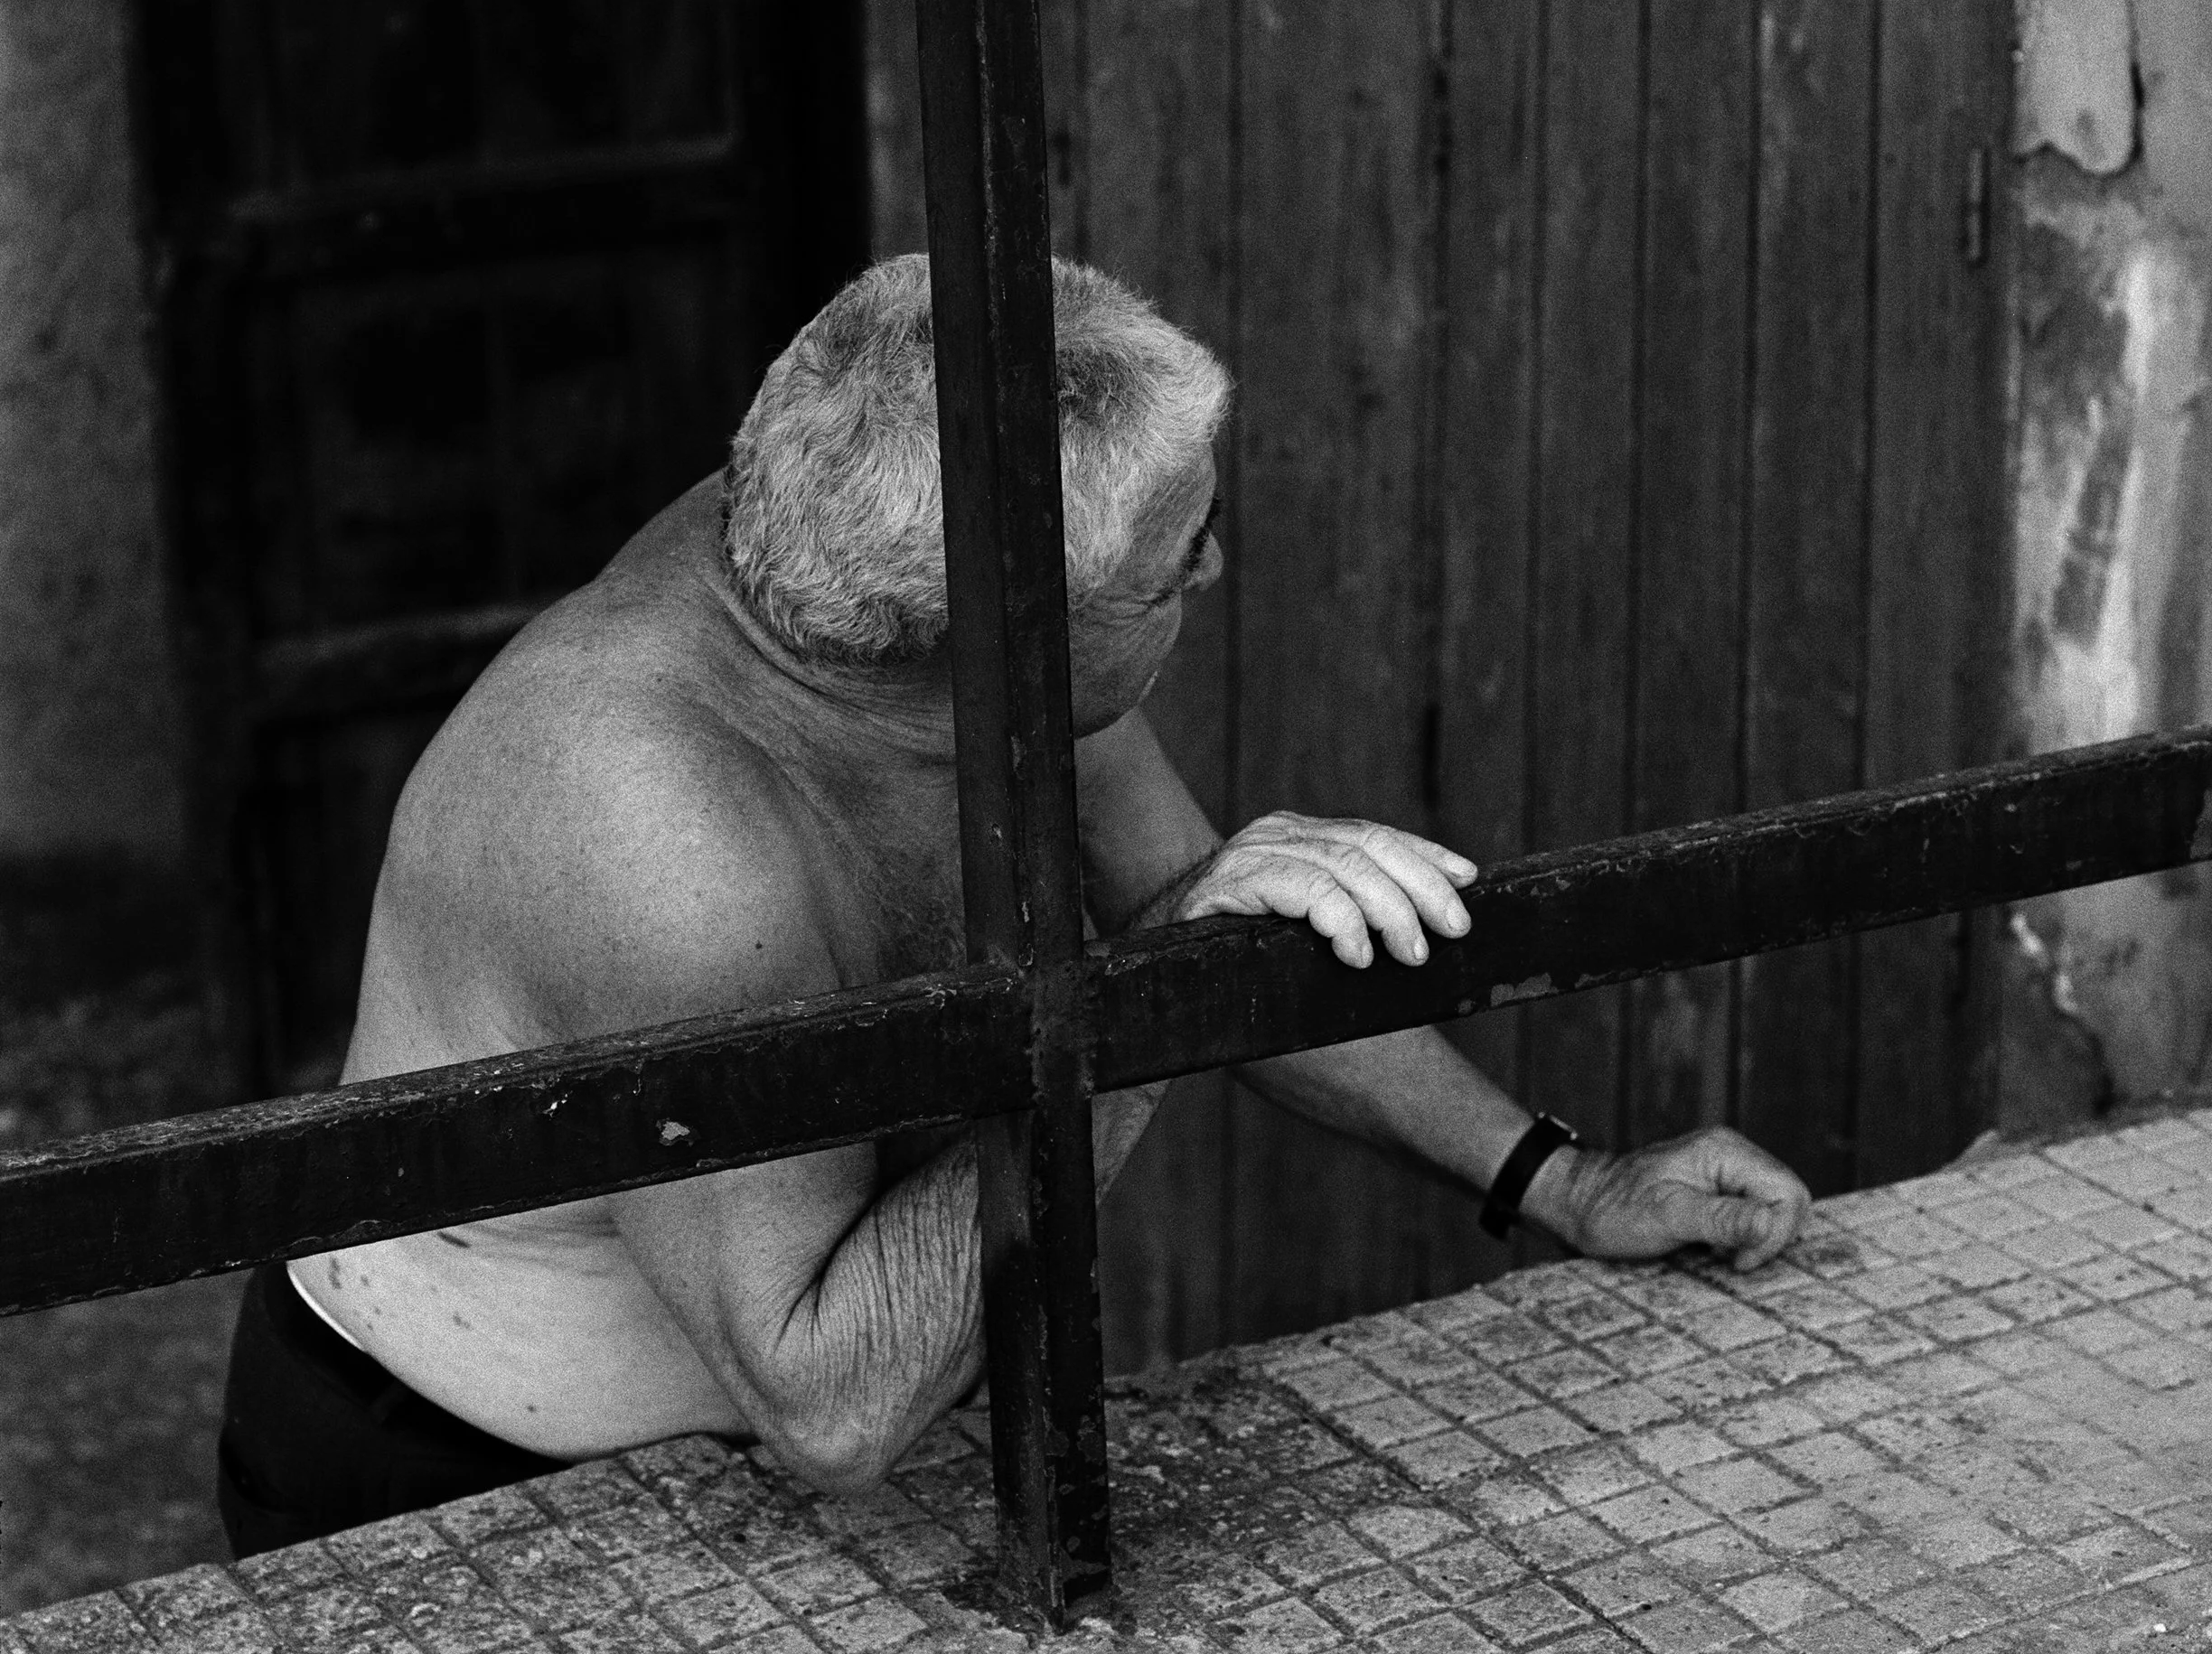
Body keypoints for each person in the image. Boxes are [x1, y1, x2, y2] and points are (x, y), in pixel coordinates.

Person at [216, 256, 1810, 1554]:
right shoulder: (658, 830)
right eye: (1179, 558)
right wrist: (1141, 999)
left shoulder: (925, 606)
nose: (1214, 569)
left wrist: (1568, 1183)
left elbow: (1225, 926)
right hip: (458, 1479)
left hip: (775, 1462)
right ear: (1008, 627)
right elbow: (831, 1404)